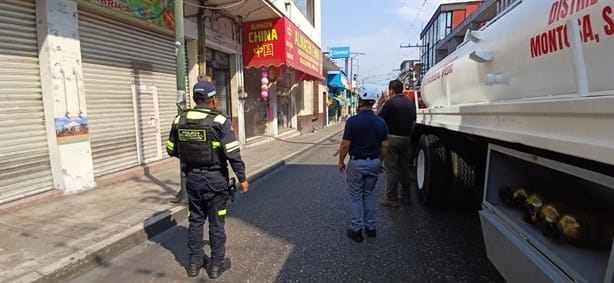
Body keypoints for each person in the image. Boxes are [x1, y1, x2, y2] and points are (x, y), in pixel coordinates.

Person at [166, 80, 249, 279]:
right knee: (216, 224)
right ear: (212, 99)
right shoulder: (219, 121)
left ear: (195, 98)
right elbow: (233, 154)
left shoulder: (180, 119)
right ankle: (215, 265)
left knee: (195, 221)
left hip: (192, 181)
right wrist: (242, 179)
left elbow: (171, 149)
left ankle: (194, 264)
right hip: (215, 181)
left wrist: (191, 158)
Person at [338, 85, 389, 242]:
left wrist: (341, 161)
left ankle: (356, 229)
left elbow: (345, 144)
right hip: (374, 162)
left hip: (357, 163)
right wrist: (380, 161)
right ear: (373, 102)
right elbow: (385, 145)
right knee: (369, 194)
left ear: (360, 100)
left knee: (355, 196)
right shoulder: (380, 122)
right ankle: (371, 228)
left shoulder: (353, 121)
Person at [378, 79, 417, 207]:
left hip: (392, 139)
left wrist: (380, 104)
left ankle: (392, 197)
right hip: (406, 139)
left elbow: (378, 119)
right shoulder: (410, 103)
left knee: (392, 169)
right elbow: (413, 123)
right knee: (404, 168)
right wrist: (408, 135)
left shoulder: (390, 103)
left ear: (391, 90)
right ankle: (406, 196)